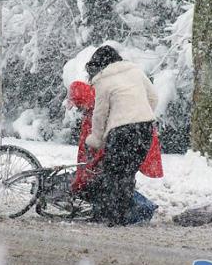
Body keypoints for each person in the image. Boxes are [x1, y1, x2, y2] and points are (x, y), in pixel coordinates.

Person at [82, 45, 159, 225]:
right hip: (145, 129)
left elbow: (100, 114)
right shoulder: (135, 71)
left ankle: (110, 215)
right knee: (128, 172)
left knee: (112, 172)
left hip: (121, 132)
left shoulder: (103, 80)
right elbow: (154, 98)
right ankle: (123, 214)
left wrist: (96, 139)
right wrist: (140, 115)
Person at [68, 80, 162, 225]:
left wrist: (90, 168)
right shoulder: (95, 109)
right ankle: (116, 211)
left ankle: (133, 211)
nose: (79, 108)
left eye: (79, 104)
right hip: (134, 139)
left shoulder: (101, 111)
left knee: (117, 177)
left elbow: (103, 143)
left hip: (132, 142)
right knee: (118, 178)